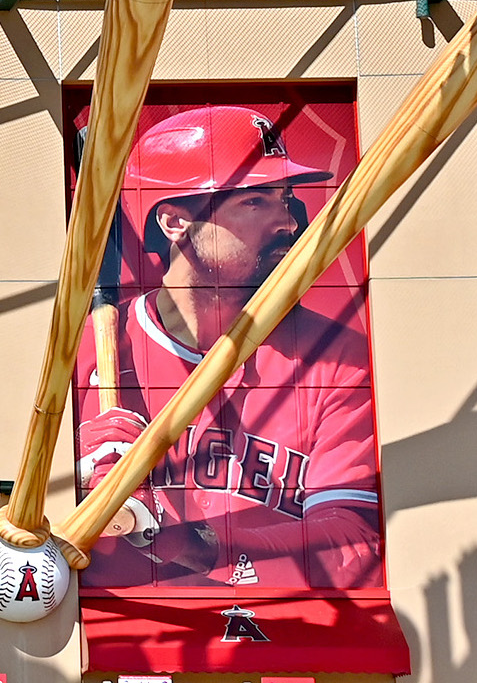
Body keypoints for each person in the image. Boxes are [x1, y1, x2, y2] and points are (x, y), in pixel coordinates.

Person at [73, 104, 382, 589]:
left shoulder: (336, 357)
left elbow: (349, 545)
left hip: (290, 637)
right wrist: (78, 487)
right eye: (255, 202)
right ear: (175, 223)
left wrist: (176, 538)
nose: (288, 223)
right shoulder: (91, 351)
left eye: (286, 199)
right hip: (123, 640)